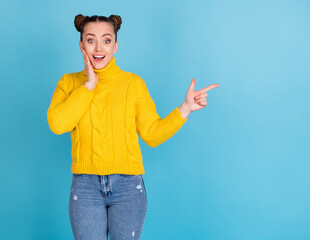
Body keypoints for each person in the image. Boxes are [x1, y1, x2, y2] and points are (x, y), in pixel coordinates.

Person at [47, 14, 219, 240]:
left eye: (106, 40)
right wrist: (88, 85)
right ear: (81, 45)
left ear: (115, 46)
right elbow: (58, 125)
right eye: (90, 40)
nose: (99, 48)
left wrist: (185, 108)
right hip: (85, 185)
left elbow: (153, 135)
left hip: (127, 186)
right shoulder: (69, 83)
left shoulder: (133, 84)